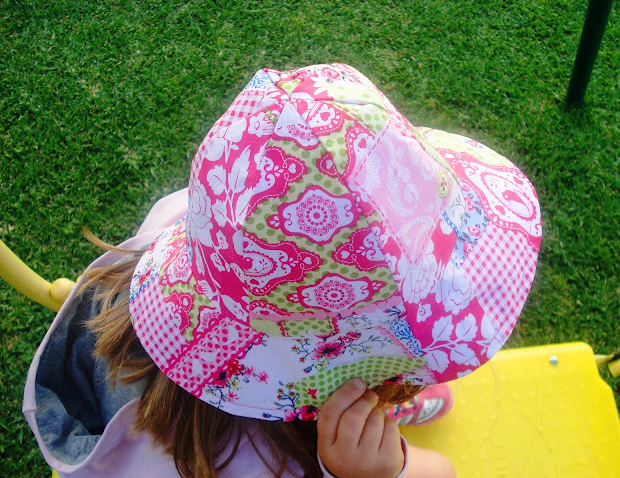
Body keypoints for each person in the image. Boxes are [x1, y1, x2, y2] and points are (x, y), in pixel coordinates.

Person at [23, 63, 541, 478]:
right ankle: (364, 429)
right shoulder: (267, 465)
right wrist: (374, 471)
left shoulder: (186, 220)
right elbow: (442, 471)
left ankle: (363, 415)